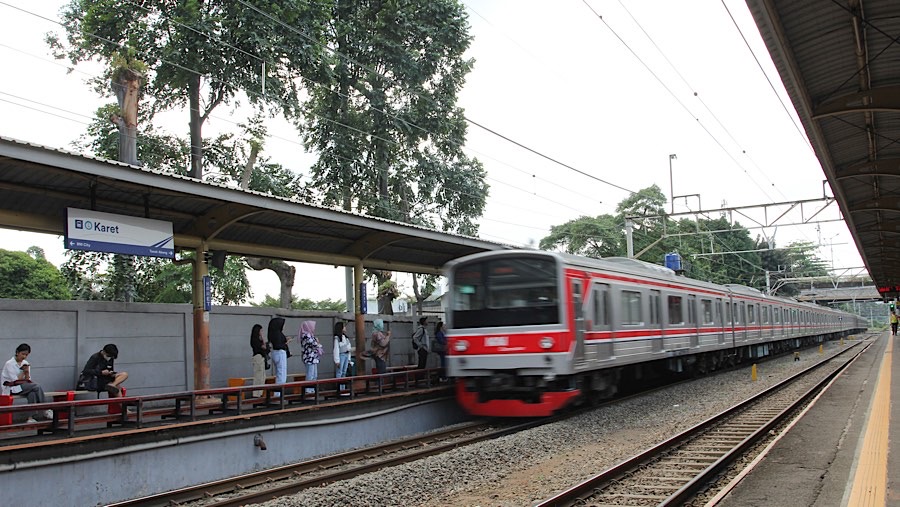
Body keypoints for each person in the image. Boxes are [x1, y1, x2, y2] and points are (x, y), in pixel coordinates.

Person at [1, 343, 52, 423]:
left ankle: (30, 418)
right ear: (17, 352)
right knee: (37, 386)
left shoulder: (25, 362)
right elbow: (15, 381)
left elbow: (28, 379)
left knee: (32, 393)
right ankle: (45, 408)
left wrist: (27, 372)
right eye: (22, 354)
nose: (24, 356)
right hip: (11, 388)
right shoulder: (9, 364)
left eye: (26, 355)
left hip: (23, 386)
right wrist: (23, 372)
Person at [267, 317, 292, 387]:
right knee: (282, 374)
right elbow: (279, 345)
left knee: (279, 373)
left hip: (275, 353)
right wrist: (286, 342)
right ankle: (278, 394)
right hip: (280, 353)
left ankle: (278, 394)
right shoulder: (278, 333)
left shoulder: (272, 333)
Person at [299, 320, 322, 395]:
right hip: (309, 357)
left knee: (314, 375)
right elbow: (314, 344)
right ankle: (308, 390)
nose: (314, 328)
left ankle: (312, 390)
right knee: (310, 374)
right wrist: (318, 343)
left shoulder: (310, 335)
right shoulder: (306, 335)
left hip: (314, 358)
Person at [250, 323, 270, 397]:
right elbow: (261, 348)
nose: (262, 332)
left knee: (262, 376)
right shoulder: (255, 340)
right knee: (258, 376)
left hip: (261, 357)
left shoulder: (259, 339)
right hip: (258, 357)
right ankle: (256, 394)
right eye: (261, 331)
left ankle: (260, 393)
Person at [333, 321, 352, 389]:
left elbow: (348, 347)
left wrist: (349, 359)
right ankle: (339, 388)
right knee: (339, 372)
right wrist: (337, 360)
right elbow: (336, 349)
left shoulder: (345, 337)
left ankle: (343, 388)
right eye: (344, 326)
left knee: (344, 372)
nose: (345, 328)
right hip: (341, 355)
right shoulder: (337, 338)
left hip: (346, 355)